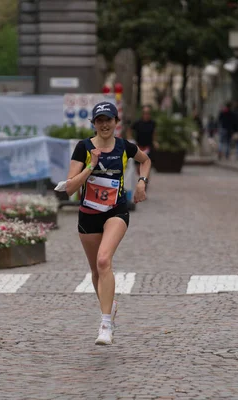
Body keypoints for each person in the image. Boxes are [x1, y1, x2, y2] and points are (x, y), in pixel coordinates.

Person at [66, 101, 151, 345]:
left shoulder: (124, 146)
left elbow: (145, 160)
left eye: (108, 120)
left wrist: (142, 182)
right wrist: (91, 166)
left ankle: (105, 325)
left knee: (105, 260)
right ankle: (109, 306)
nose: (104, 124)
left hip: (116, 211)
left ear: (116, 122)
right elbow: (70, 187)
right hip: (88, 214)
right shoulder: (83, 147)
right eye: (99, 120)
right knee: (96, 270)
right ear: (94, 124)